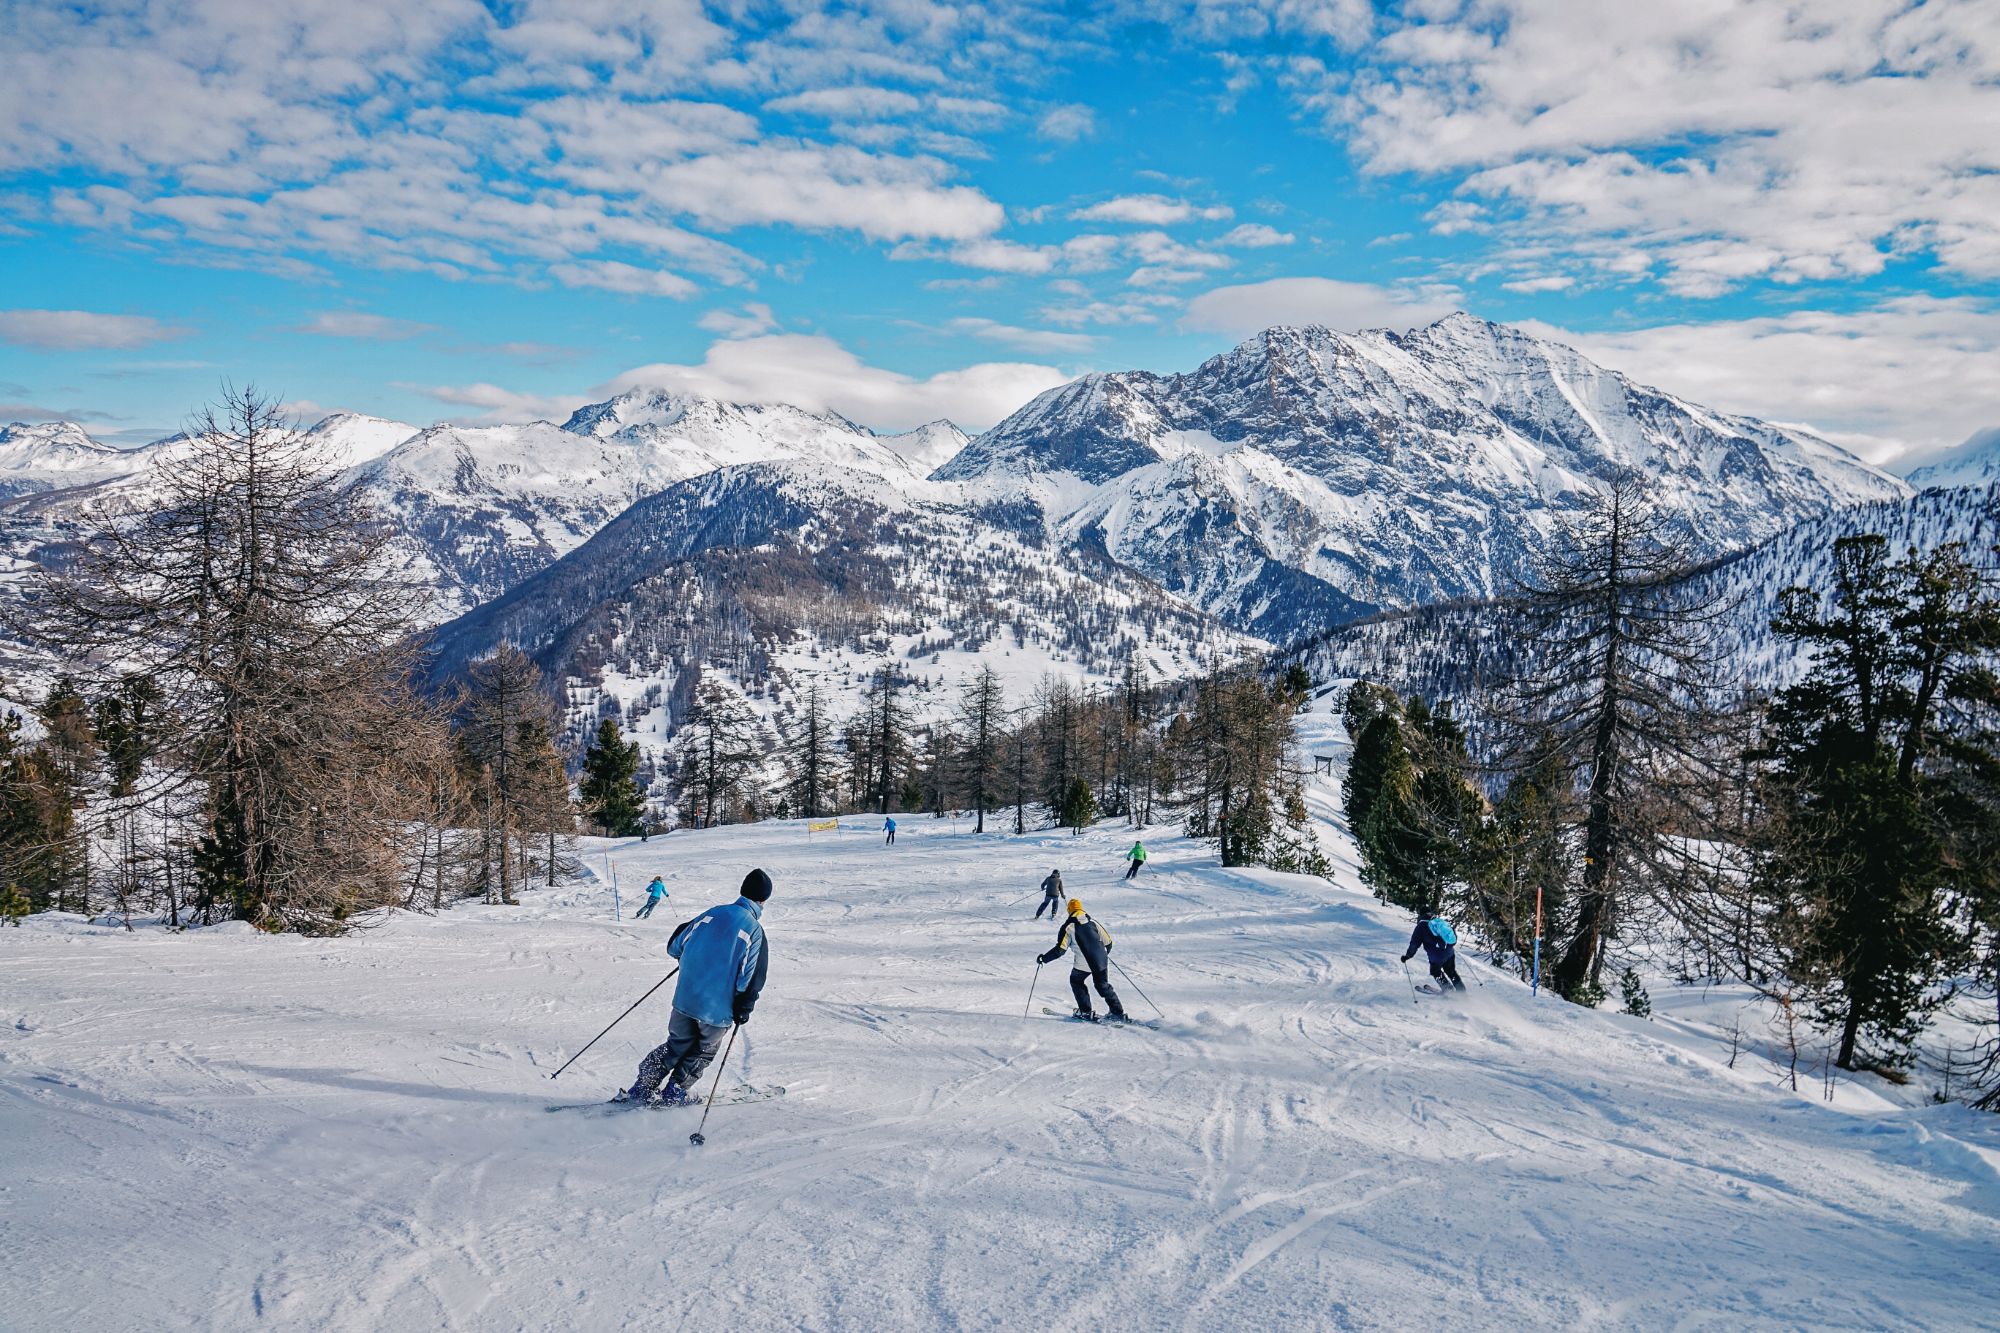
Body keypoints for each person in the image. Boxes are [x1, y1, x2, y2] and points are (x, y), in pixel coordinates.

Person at [618, 869, 772, 1105]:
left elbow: (675, 947)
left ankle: (643, 1086)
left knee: (676, 1044)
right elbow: (748, 980)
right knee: (703, 1050)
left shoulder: (712, 913)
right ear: (762, 900)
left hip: (684, 1000)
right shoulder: (753, 930)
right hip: (715, 1010)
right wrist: (744, 1008)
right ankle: (675, 1091)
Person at [1037, 898, 1127, 1022]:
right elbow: (1109, 943)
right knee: (1103, 986)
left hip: (1083, 964)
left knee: (1076, 981)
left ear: (1070, 910)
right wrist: (1101, 955)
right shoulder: (1093, 922)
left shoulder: (1069, 927)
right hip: (1101, 961)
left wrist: (1044, 958)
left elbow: (1060, 950)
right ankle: (1118, 1013)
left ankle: (1085, 1012)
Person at [1402, 911, 1466, 993]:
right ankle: (1462, 991)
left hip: (1436, 956)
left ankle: (1448, 990)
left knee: (1435, 971)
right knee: (1451, 971)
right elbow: (1452, 935)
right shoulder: (1440, 922)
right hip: (1449, 952)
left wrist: (1408, 955)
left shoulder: (1421, 926)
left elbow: (1414, 943)